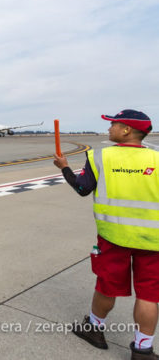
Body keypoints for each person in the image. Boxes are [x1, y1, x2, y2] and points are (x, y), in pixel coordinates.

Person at [54, 109, 159, 359]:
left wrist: (65, 168)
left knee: (107, 287)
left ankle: (94, 329)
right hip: (153, 240)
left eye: (114, 124)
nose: (109, 128)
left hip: (114, 237)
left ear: (126, 130)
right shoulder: (157, 157)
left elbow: (82, 188)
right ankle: (143, 349)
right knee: (149, 294)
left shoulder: (100, 157)